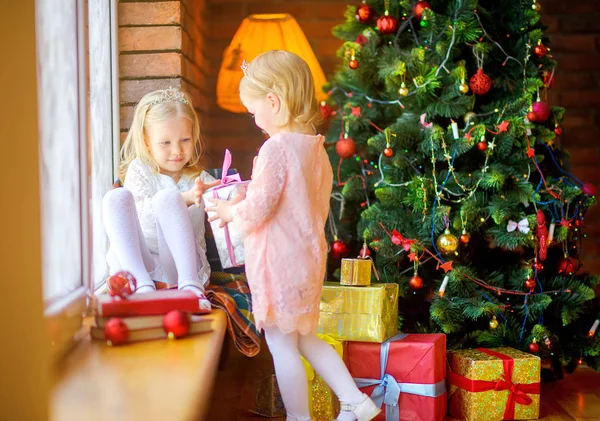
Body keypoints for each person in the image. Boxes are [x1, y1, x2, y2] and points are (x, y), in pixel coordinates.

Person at [207, 51, 381, 421]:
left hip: (278, 265)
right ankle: (354, 400)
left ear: (274, 101)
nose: (255, 121)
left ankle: (299, 418)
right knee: (304, 338)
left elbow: (257, 211)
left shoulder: (275, 148)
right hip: (307, 260)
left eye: (254, 112)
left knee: (281, 344)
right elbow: (292, 200)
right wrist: (248, 195)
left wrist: (229, 211)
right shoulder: (314, 149)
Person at [102, 87, 219, 310]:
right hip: (142, 262)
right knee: (114, 198)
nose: (177, 150)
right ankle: (141, 286)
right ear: (146, 142)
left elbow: (221, 204)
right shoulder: (140, 171)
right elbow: (144, 220)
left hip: (180, 266)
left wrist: (234, 194)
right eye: (165, 143)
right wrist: (182, 198)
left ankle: (190, 288)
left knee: (167, 198)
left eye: (184, 139)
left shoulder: (198, 179)